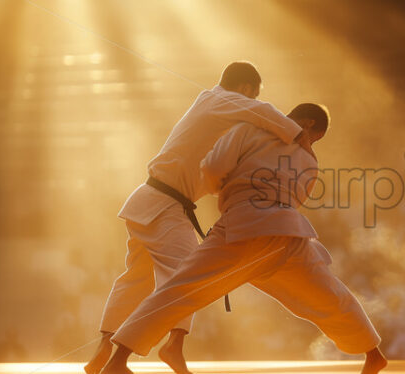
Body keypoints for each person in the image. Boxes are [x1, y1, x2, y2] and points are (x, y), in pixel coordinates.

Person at [100, 104, 388, 374]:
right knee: (329, 294)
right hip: (288, 235)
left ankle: (119, 359)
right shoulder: (309, 159)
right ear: (309, 123)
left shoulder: (249, 129)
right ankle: (373, 353)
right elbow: (297, 198)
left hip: (244, 227)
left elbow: (212, 167)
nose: (311, 143)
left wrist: (223, 190)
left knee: (179, 288)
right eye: (316, 137)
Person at [85, 62, 307, 374]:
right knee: (185, 277)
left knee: (135, 279)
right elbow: (266, 112)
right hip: (164, 206)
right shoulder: (223, 101)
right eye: (252, 95)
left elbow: (214, 170)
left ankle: (102, 350)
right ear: (245, 89)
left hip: (148, 200)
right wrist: (299, 137)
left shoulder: (211, 108)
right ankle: (172, 345)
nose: (252, 102)